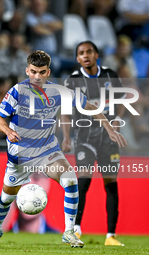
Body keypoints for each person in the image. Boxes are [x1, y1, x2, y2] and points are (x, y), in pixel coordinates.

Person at [0, 50, 127, 248]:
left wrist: (109, 128)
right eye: (34, 72)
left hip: (47, 151)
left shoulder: (58, 91)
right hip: (20, 155)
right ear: (27, 71)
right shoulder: (17, 92)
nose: (37, 76)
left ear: (48, 72)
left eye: (42, 72)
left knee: (70, 179)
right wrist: (7, 131)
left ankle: (69, 232)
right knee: (5, 198)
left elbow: (88, 106)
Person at [61, 41, 126, 246]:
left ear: (96, 54)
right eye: (81, 53)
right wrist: (66, 136)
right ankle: (76, 229)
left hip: (109, 138)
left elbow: (122, 101)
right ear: (77, 59)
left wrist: (117, 120)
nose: (86, 55)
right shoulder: (72, 81)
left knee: (111, 184)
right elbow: (65, 111)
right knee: (84, 180)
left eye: (89, 51)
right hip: (84, 137)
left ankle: (111, 236)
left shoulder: (110, 75)